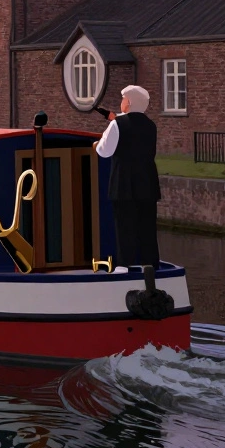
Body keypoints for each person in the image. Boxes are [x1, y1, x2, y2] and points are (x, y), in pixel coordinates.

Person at [93, 85, 171, 318]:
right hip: (147, 181)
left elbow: (105, 151)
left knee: (124, 222)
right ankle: (150, 263)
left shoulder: (117, 124)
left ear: (129, 103)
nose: (121, 103)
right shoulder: (151, 125)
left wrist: (97, 144)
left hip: (124, 181)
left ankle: (123, 265)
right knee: (146, 223)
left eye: (123, 99)